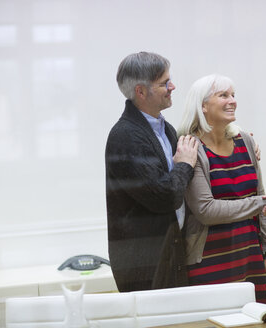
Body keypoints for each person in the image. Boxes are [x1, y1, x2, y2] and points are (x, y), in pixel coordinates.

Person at [178, 74, 266, 304]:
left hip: (250, 257)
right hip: (208, 263)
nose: (232, 101)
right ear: (203, 106)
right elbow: (206, 210)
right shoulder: (191, 147)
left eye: (233, 95)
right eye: (223, 95)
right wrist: (262, 203)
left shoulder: (246, 142)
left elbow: (262, 196)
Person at [105, 52, 199, 292]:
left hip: (169, 250)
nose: (173, 86)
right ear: (141, 91)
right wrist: (184, 165)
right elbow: (165, 196)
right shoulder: (126, 136)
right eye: (164, 83)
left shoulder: (165, 129)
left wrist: (239, 141)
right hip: (144, 262)